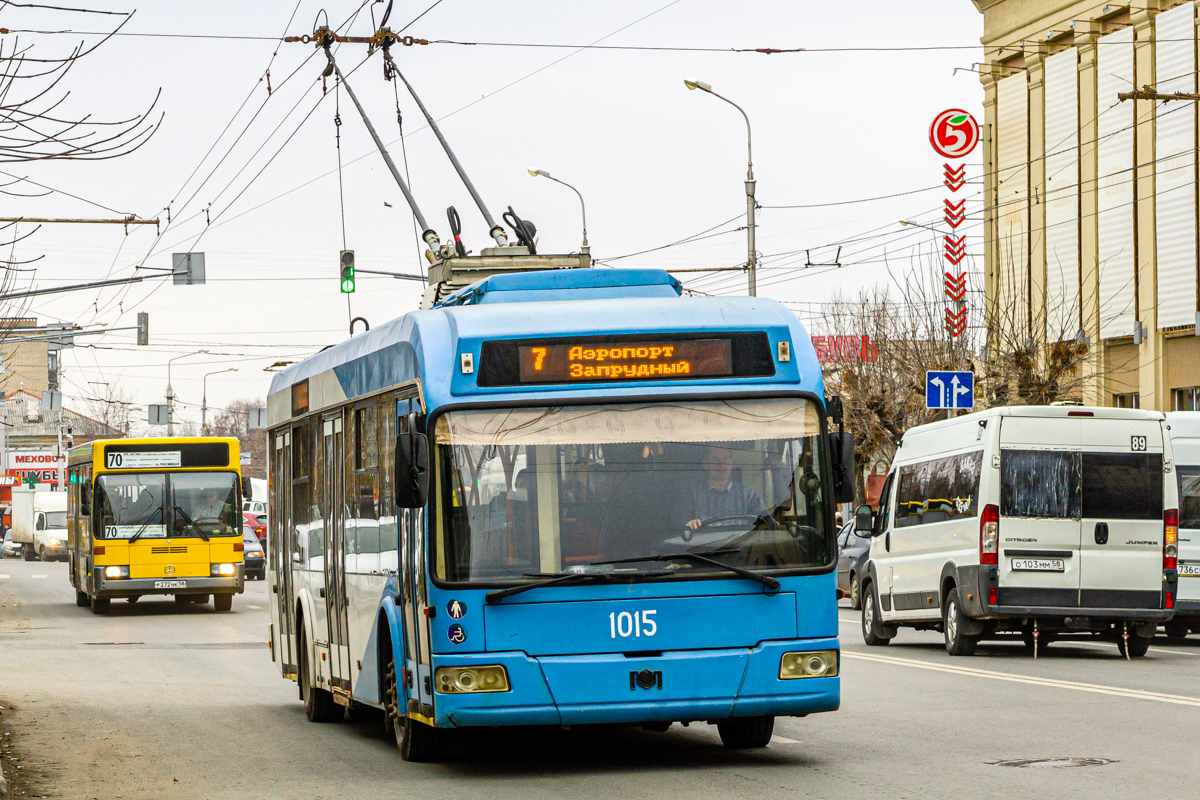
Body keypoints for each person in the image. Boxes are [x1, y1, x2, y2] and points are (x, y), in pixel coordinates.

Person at [684, 445, 767, 530]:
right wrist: (689, 526)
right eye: (715, 459)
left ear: (731, 462)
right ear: (706, 464)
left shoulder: (748, 496)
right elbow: (678, 529)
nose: (721, 464)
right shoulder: (692, 494)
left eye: (726, 458)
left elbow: (767, 524)